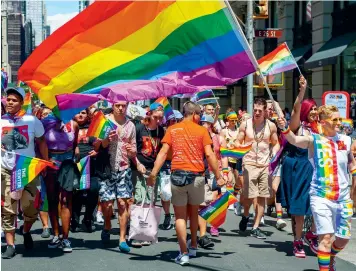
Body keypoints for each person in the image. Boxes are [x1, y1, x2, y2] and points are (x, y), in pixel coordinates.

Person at [277, 105, 355, 271]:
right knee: (325, 238)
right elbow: (294, 140)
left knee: (343, 239)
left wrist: (354, 178)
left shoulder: (346, 140)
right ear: (323, 122)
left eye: (339, 119)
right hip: (321, 196)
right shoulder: (314, 140)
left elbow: (351, 162)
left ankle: (331, 257)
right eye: (335, 119)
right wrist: (284, 127)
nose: (339, 123)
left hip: (343, 197)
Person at [147, 101, 225, 266]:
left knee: (180, 217)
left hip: (178, 176)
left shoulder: (172, 129)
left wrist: (153, 173)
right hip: (197, 177)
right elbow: (210, 155)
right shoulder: (202, 130)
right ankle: (194, 247)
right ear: (195, 114)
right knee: (194, 212)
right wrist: (219, 175)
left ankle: (183, 253)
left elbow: (163, 152)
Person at [1, 87, 48, 259]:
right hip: (6, 170)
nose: (10, 102)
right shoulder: (1, 121)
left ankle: (26, 230)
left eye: (14, 100)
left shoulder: (32, 120)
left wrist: (45, 163)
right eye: (8, 99)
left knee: (31, 207)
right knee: (8, 208)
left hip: (28, 170)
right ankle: (10, 245)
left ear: (21, 102)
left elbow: (42, 142)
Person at [277, 76, 319, 258]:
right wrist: (302, 91)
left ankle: (311, 234)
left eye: (317, 109)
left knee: (319, 206)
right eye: (312, 109)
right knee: (299, 209)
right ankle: (297, 241)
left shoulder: (320, 129)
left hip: (316, 172)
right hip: (298, 170)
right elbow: (295, 109)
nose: (315, 112)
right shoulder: (298, 127)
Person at [237, 98, 280, 239]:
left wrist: (274, 156)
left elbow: (275, 143)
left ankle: (255, 226)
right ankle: (245, 215)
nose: (256, 112)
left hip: (265, 165)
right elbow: (238, 140)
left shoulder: (271, 126)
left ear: (265, 111)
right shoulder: (245, 124)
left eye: (259, 111)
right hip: (249, 164)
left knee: (262, 196)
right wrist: (236, 146)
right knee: (249, 195)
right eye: (255, 110)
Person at [100, 101, 136, 253]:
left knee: (123, 203)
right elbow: (98, 145)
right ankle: (107, 224)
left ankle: (122, 238)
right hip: (106, 169)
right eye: (117, 105)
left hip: (124, 168)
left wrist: (131, 150)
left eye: (123, 105)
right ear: (113, 106)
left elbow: (134, 150)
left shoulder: (131, 125)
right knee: (107, 205)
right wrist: (107, 139)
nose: (121, 108)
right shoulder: (105, 121)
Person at [42, 107, 79, 253]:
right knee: (52, 200)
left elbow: (74, 144)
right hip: (50, 161)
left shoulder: (73, 124)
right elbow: (40, 143)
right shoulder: (44, 123)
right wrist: (44, 162)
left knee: (65, 200)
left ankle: (65, 237)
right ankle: (55, 235)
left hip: (67, 161)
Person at [130, 103, 165, 247]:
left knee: (150, 200)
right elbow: (132, 150)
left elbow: (162, 152)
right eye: (156, 117)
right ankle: (137, 234)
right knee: (139, 199)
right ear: (149, 114)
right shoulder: (139, 128)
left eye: (160, 118)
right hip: (139, 170)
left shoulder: (161, 131)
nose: (158, 121)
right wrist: (138, 163)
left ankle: (146, 232)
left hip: (153, 170)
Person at [71, 109, 101, 233]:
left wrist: (97, 152)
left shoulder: (94, 128)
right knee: (76, 192)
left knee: (94, 190)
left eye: (83, 112)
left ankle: (88, 218)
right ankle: (75, 220)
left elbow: (103, 145)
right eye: (78, 112)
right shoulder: (70, 127)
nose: (80, 114)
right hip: (74, 165)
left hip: (92, 165)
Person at [265, 101, 288, 231]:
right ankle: (263, 210)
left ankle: (279, 218)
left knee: (275, 188)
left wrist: (276, 104)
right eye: (269, 109)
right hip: (263, 160)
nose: (270, 111)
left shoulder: (278, 125)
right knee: (267, 191)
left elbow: (282, 119)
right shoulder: (262, 123)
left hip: (277, 159)